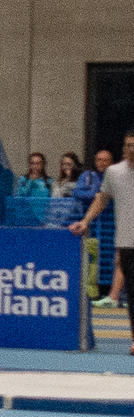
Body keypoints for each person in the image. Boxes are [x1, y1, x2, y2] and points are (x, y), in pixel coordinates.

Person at [73, 133, 134, 345]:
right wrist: (85, 221)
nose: (131, 149)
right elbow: (101, 199)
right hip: (126, 241)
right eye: (128, 145)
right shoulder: (114, 172)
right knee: (132, 293)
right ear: (123, 148)